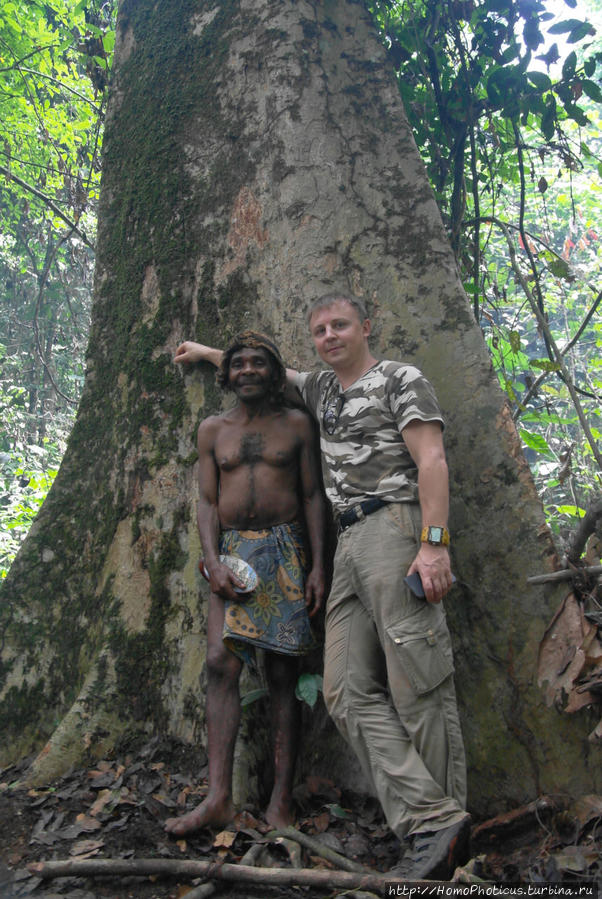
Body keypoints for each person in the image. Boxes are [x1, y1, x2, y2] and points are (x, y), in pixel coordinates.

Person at [174, 296, 470, 879]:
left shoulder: (399, 379)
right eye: (319, 330)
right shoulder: (321, 391)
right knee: (343, 690)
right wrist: (211, 353)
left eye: (340, 326)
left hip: (397, 527)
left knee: (417, 681)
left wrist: (434, 542)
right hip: (348, 543)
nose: (330, 336)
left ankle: (441, 827)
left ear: (367, 326)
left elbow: (431, 458)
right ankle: (431, 818)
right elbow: (266, 371)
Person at [165, 331, 325, 836]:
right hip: (233, 553)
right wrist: (212, 560)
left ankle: (280, 802)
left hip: (285, 550)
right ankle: (218, 797)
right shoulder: (212, 430)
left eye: (259, 363)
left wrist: (320, 565)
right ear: (227, 375)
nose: (248, 371)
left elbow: (314, 496)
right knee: (219, 663)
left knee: (282, 673)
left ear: (274, 373)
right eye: (239, 365)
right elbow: (208, 502)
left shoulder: (298, 425)